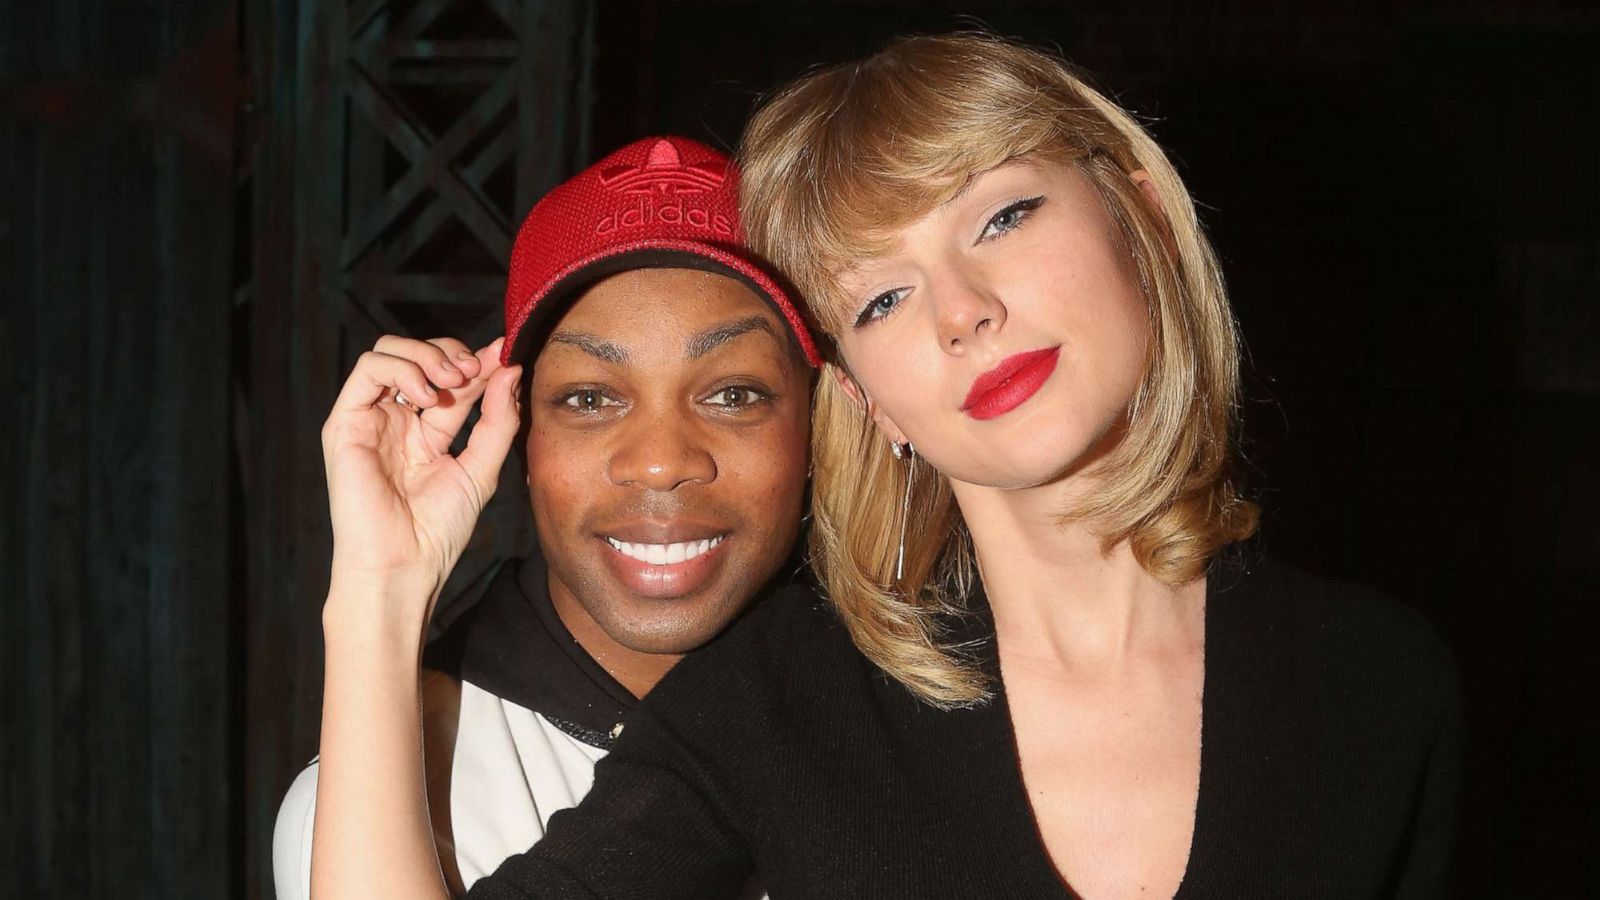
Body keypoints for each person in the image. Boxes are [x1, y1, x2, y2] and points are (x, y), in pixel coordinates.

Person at [317, 34, 1463, 900]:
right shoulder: (780, 704)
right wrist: (376, 593)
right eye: (880, 294)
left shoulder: (1381, 682)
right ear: (864, 395)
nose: (962, 312)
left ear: (1145, 218)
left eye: (1002, 215)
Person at [281, 135, 819, 898]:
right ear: (519, 431)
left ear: (818, 427)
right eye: (591, 399)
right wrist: (382, 586)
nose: (661, 461)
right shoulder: (385, 814)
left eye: (733, 393)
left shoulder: (916, 714)